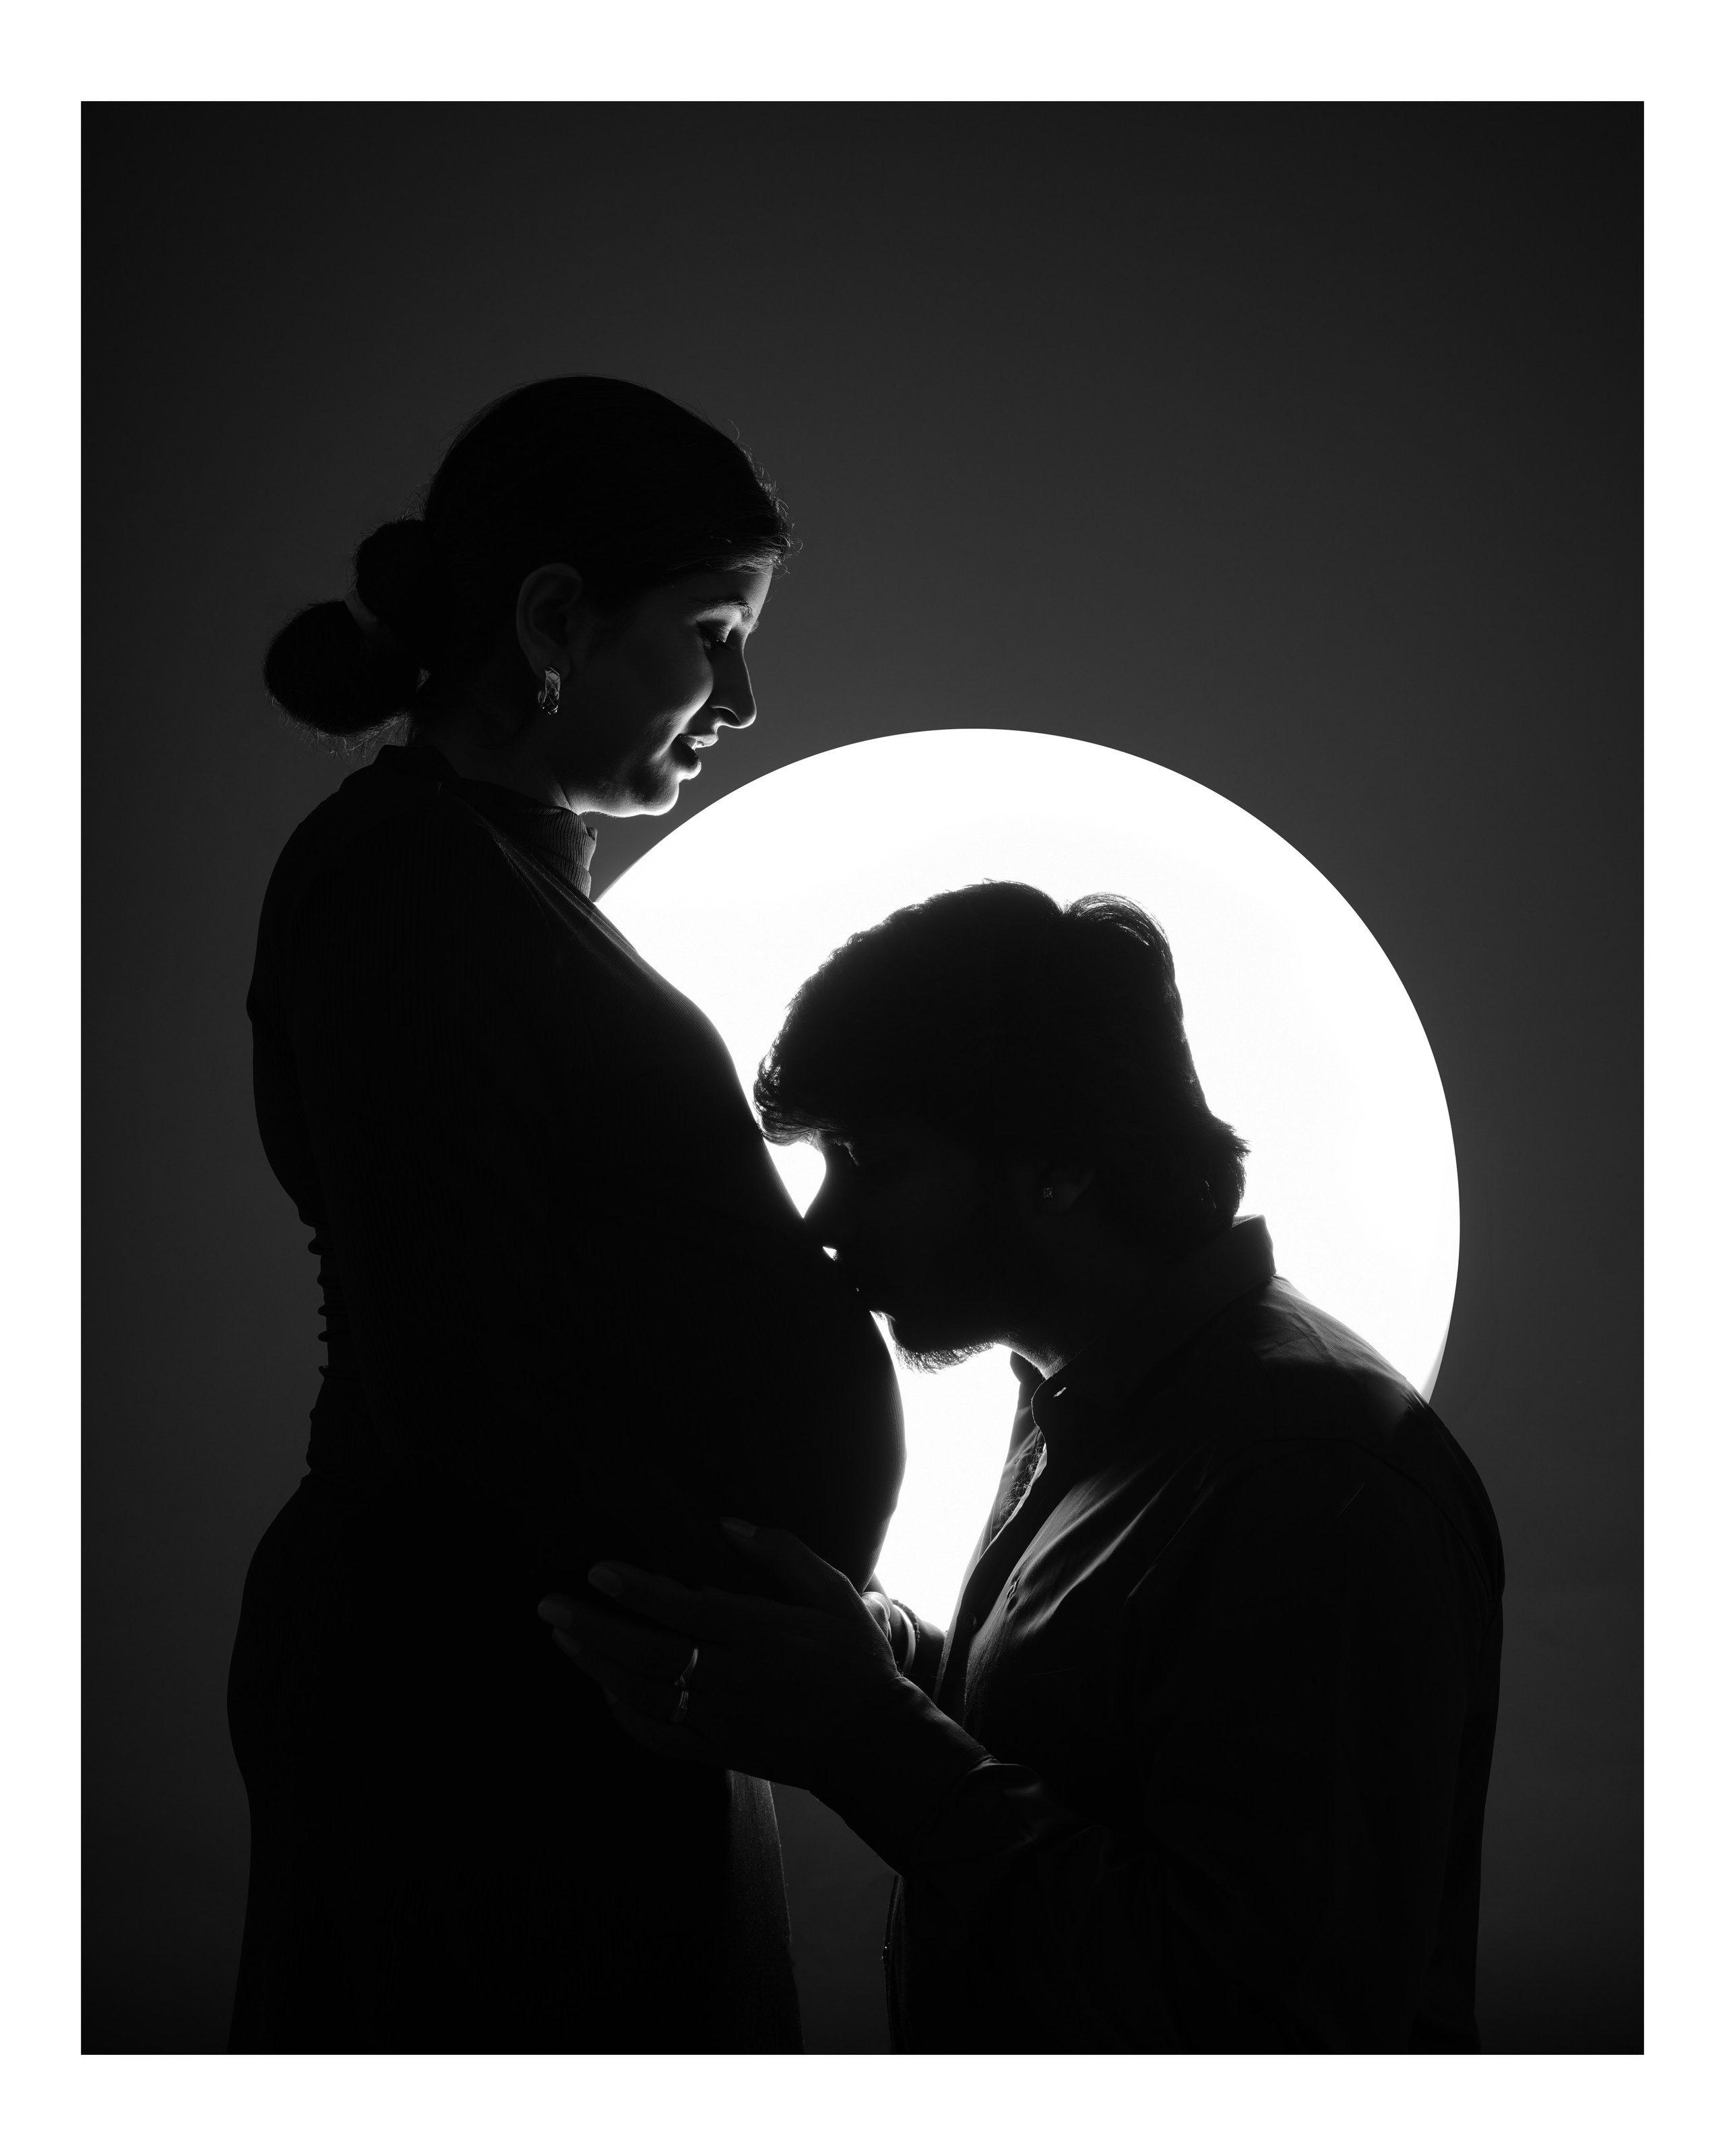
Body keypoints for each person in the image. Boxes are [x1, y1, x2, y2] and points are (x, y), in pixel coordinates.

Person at [228, 377, 904, 2053]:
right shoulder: (399, 888)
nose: (741, 695)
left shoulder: (491, 875)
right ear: (550, 618)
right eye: (708, 633)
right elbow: (459, 1378)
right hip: (470, 1699)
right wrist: (776, 1635)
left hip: (579, 1673)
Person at [542, 881, 1505, 2052]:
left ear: (1058, 1168)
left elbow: (1262, 2022)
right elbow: (1106, 1746)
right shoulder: (1101, 1396)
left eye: (868, 1160)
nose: (822, 1223)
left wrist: (864, 1739)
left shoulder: (1317, 1479)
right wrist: (863, 1653)